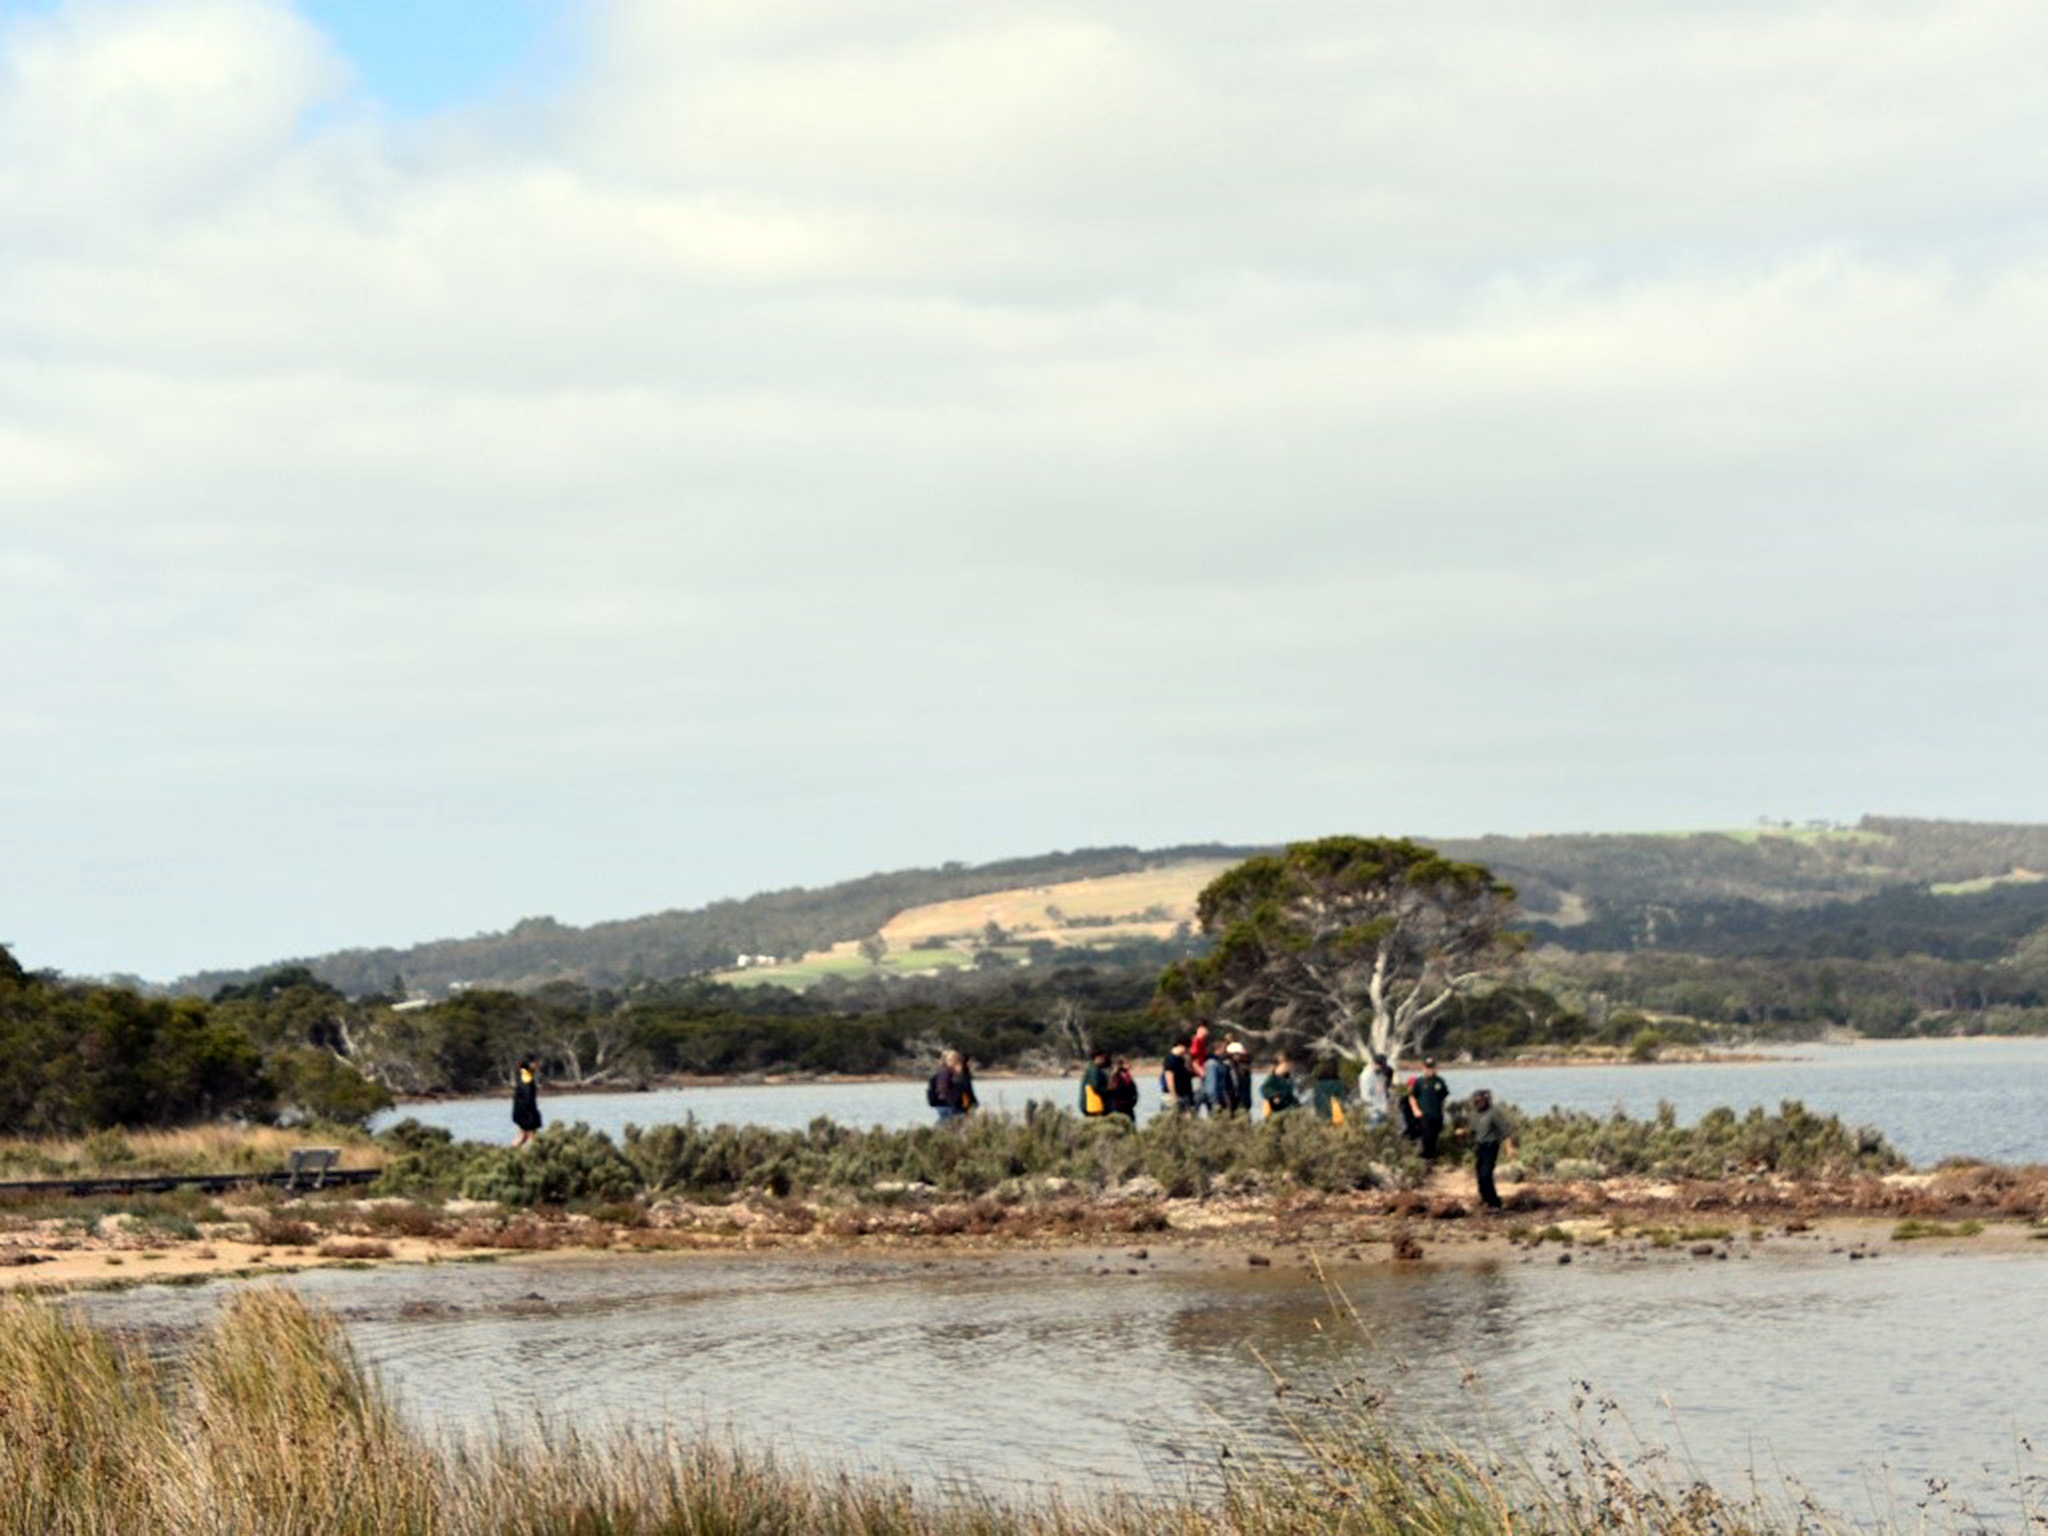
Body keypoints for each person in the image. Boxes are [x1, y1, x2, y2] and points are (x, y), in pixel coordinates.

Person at [1462, 1088, 1513, 1210]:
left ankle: (1494, 1202)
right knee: (1480, 1174)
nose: (1477, 1103)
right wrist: (1463, 1132)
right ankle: (1485, 1199)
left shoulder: (1493, 1113)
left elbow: (1505, 1132)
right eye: (1475, 1101)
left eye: (1479, 1100)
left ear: (1486, 1100)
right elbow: (1473, 1130)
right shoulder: (1473, 1114)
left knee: (1486, 1174)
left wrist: (1509, 1148)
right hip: (1479, 1146)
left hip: (1491, 1146)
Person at [1408, 1056, 1450, 1159]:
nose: (1429, 1070)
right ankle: (1425, 1158)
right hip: (1424, 1115)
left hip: (1436, 1114)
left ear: (1435, 1068)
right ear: (1423, 1068)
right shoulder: (1419, 1081)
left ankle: (1431, 1158)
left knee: (1434, 1137)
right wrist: (1415, 1110)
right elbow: (1412, 1096)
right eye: (1427, 1067)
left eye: (1431, 1067)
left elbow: (1443, 1098)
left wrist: (1442, 1112)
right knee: (1426, 1136)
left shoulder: (1440, 1081)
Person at [511, 1054, 542, 1147]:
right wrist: (531, 1116)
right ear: (530, 1064)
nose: (537, 1065)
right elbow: (526, 1095)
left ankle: (513, 1152)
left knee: (523, 1136)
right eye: (535, 1063)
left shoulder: (521, 1074)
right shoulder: (526, 1075)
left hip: (521, 1112)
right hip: (527, 1114)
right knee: (528, 1137)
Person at [929, 1050, 968, 1122]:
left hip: (945, 1104)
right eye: (951, 1060)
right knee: (948, 1123)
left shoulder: (945, 1071)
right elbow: (945, 1089)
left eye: (956, 1060)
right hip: (948, 1104)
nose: (954, 1062)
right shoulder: (946, 1072)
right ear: (945, 1060)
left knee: (947, 1123)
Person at [1162, 1039, 1196, 1113]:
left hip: (1183, 1095)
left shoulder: (1182, 1060)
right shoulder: (1170, 1059)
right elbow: (1169, 1077)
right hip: (1174, 1096)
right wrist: (1173, 1095)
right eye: (1186, 1048)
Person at [1310, 1058, 1347, 1124]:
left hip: (1320, 1115)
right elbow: (1340, 1099)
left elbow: (1315, 1099)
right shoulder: (1337, 1084)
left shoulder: (1318, 1084)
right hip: (1335, 1115)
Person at [1200, 1047, 1233, 1116]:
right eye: (1223, 1050)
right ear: (1217, 1051)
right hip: (1215, 1100)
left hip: (1222, 1099)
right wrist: (1214, 1101)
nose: (1225, 1052)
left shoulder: (1221, 1063)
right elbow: (1210, 1084)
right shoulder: (1212, 1064)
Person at [1079, 1049, 1112, 1116]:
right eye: (1103, 1058)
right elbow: (1096, 1087)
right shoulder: (1093, 1070)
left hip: (1093, 1105)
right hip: (1092, 1106)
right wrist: (1109, 1090)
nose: (1104, 1060)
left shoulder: (1094, 1069)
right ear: (1097, 1057)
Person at [1106, 1056, 1139, 1120]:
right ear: (1121, 1065)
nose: (1129, 1064)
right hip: (1119, 1106)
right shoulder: (1116, 1076)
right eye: (1126, 1063)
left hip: (1128, 1105)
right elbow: (1113, 1090)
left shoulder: (1127, 1076)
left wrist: (1133, 1100)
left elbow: (1132, 1089)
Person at [1225, 1041, 1253, 1116]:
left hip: (1243, 1104)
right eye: (1238, 1054)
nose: (1240, 1057)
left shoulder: (1243, 1069)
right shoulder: (1227, 1067)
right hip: (1234, 1104)